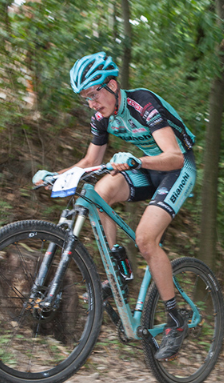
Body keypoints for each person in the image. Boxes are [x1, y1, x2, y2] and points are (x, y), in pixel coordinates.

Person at [32, 52, 197, 361]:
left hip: (177, 166)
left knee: (146, 240)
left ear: (112, 85)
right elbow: (89, 163)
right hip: (148, 166)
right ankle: (116, 269)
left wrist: (136, 161)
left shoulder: (143, 103)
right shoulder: (101, 118)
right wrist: (56, 176)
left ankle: (176, 319)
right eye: (86, 98)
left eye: (94, 94)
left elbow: (174, 156)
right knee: (97, 189)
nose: (92, 103)